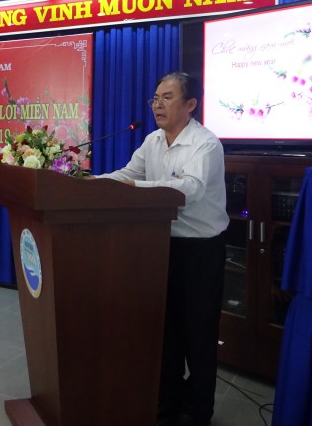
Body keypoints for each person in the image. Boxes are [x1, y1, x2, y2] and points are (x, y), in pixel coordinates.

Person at [94, 71, 228, 426]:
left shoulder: (205, 144)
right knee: (165, 331)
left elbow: (190, 190)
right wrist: (92, 183)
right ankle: (167, 403)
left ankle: (198, 411)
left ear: (190, 104)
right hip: (159, 246)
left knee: (198, 334)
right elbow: (128, 174)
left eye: (167, 97)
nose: (157, 105)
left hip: (200, 252)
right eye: (155, 98)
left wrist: (137, 188)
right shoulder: (152, 140)